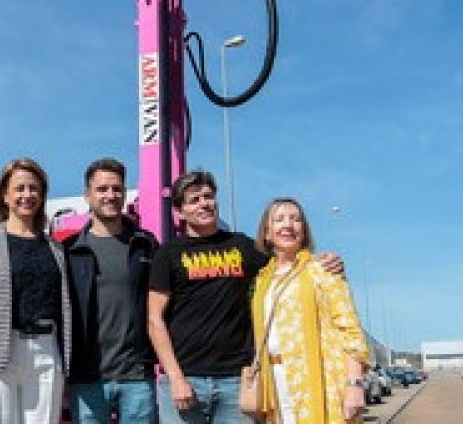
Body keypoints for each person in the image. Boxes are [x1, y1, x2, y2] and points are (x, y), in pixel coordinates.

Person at [147, 170, 345, 424]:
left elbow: (288, 265)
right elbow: (155, 319)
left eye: (208, 196)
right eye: (194, 200)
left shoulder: (242, 246)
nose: (204, 204)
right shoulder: (168, 254)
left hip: (237, 381)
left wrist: (324, 262)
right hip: (185, 379)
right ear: (179, 211)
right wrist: (175, 378)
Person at [0, 157, 73, 423]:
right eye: (19, 188)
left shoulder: (56, 249)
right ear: (5, 195)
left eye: (34, 188)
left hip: (46, 352)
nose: (27, 195)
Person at [250, 198, 368, 423]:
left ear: (303, 231)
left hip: (321, 382)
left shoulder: (322, 270)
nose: (288, 225)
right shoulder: (261, 280)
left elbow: (350, 330)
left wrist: (354, 384)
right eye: (279, 219)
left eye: (296, 219)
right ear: (267, 233)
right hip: (275, 383)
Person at [63, 158, 159, 423]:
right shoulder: (69, 250)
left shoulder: (146, 245)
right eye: (102, 189)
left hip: (137, 376)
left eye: (117, 189)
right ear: (87, 195)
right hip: (86, 377)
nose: (110, 195)